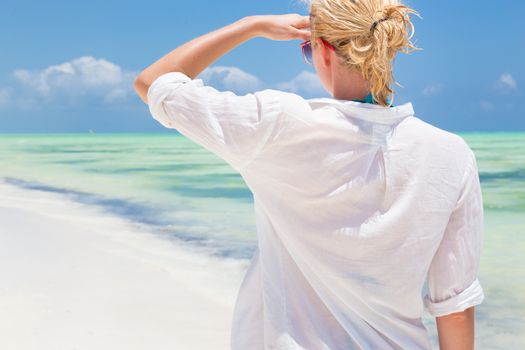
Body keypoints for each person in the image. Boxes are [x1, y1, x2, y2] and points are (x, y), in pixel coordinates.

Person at [134, 0, 485, 349]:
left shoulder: (277, 126)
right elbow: (454, 309)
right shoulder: (450, 153)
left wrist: (251, 25)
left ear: (325, 52)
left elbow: (154, 82)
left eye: (309, 48)